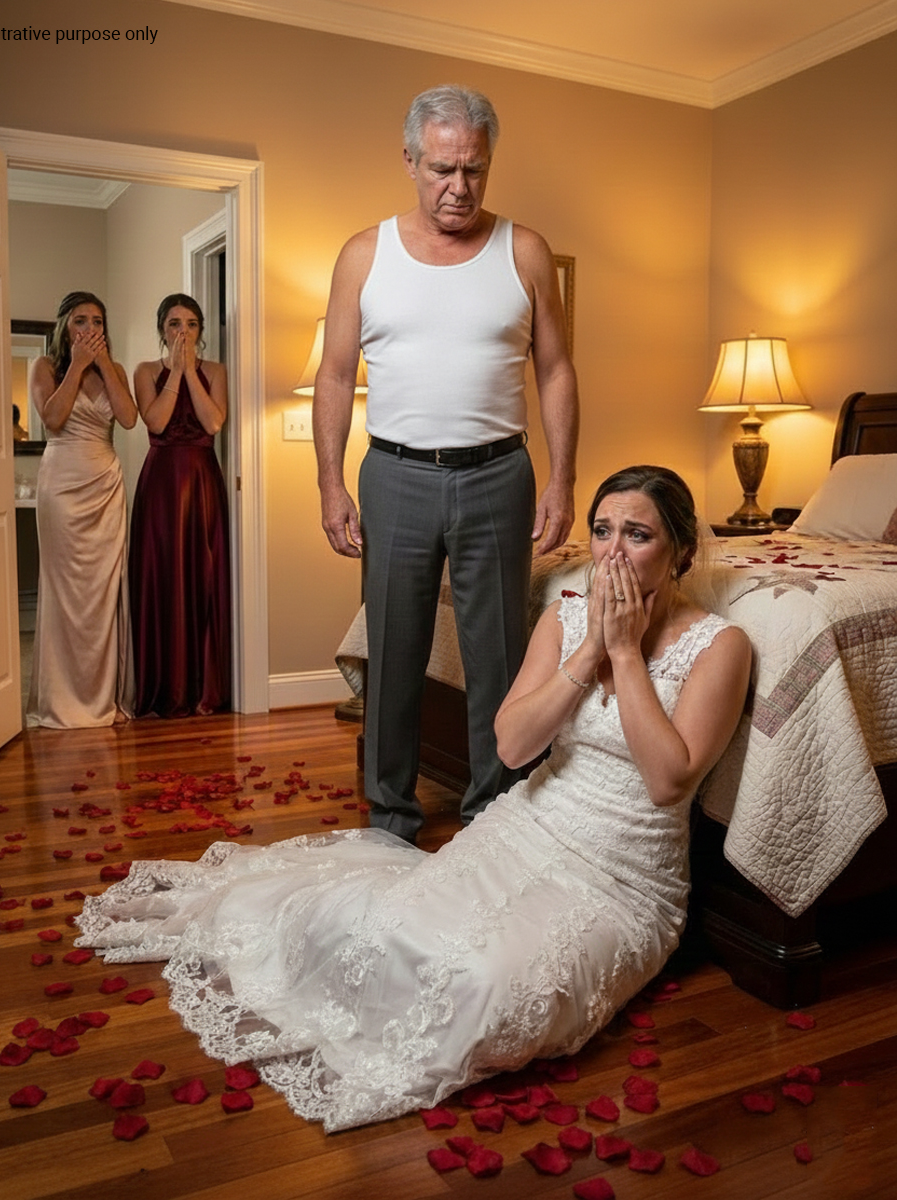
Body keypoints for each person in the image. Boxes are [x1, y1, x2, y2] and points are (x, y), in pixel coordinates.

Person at [76, 465, 752, 1134]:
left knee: (489, 992)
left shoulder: (721, 647)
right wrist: (588, 653)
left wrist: (626, 654)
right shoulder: (564, 617)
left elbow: (668, 783)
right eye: (602, 531)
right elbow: (513, 746)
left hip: (624, 881)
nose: (612, 553)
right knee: (379, 932)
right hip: (528, 828)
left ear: (681, 553)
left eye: (638, 535)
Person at [314, 84, 578, 845]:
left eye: (474, 170)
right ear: (409, 160)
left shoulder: (525, 252)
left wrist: (562, 479)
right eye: (441, 169)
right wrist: (331, 483)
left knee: (498, 656)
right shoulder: (363, 254)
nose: (459, 187)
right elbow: (335, 374)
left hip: (499, 475)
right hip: (393, 475)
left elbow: (555, 370)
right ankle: (390, 816)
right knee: (394, 651)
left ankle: (494, 813)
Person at [27, 291, 138, 729]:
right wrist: (76, 365)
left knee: (104, 591)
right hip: (61, 486)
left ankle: (103, 695)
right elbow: (52, 419)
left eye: (97, 321)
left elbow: (128, 419)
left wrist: (104, 365)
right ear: (64, 327)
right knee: (65, 591)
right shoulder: (45, 367)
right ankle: (61, 699)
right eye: (80, 320)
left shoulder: (116, 370)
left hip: (105, 485)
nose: (90, 329)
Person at [129, 294, 232, 717]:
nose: (183, 332)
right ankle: (163, 687)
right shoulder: (144, 371)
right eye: (174, 324)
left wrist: (191, 372)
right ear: (162, 330)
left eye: (191, 324)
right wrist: (175, 371)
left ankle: (204, 687)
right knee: (162, 577)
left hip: (202, 483)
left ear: (201, 331)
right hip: (161, 486)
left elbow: (213, 422)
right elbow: (155, 421)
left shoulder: (216, 371)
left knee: (203, 576)